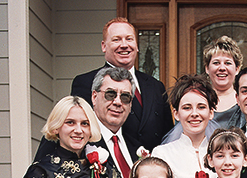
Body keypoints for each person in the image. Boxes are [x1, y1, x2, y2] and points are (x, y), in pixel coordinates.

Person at [71, 17, 172, 151]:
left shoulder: (155, 86)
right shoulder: (85, 82)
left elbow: (167, 133)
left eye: (129, 39)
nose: (124, 45)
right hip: (109, 164)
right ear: (104, 46)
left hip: (152, 167)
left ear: (137, 46)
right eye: (116, 39)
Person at [152, 74, 218, 178]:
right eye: (187, 108)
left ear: (211, 112)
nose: (194, 113)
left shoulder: (221, 153)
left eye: (201, 107)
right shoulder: (162, 154)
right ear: (176, 114)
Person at [204, 36, 246, 128]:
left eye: (228, 63)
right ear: (207, 68)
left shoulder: (245, 100)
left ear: (237, 69)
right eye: (216, 63)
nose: (222, 68)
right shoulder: (197, 99)